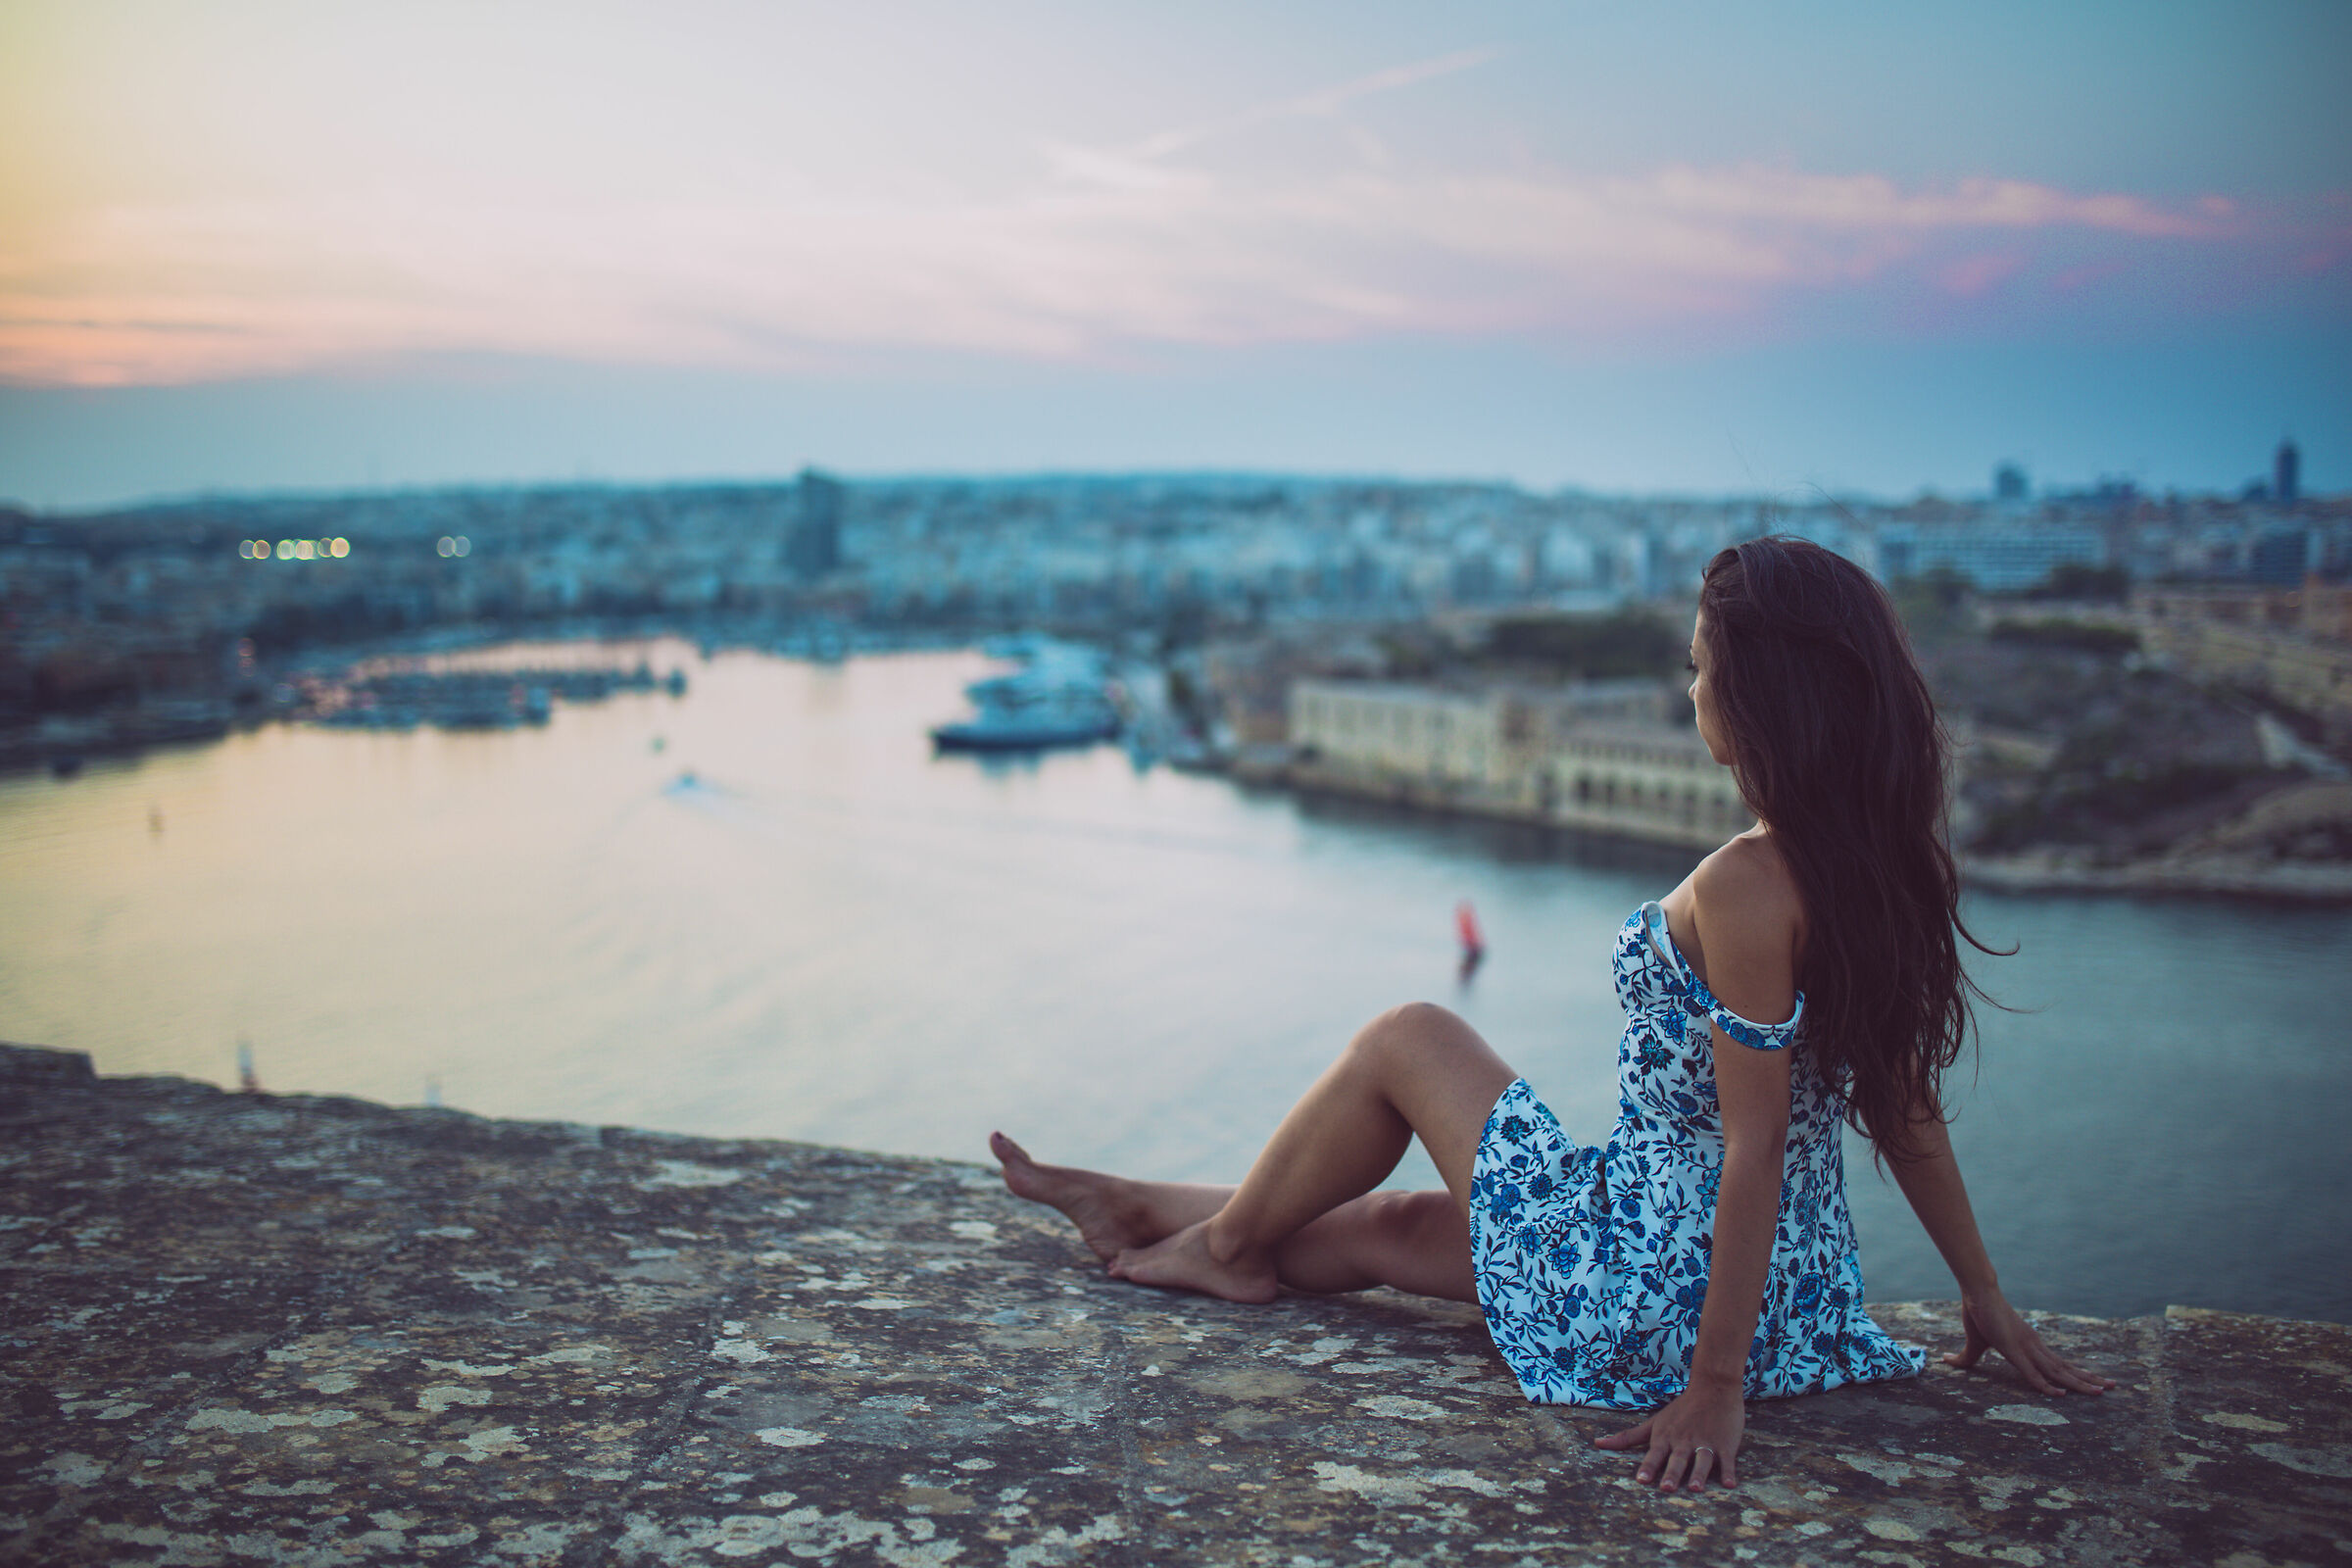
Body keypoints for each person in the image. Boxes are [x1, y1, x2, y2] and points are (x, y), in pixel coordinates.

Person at [991, 535, 2113, 1495]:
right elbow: (1904, 1102)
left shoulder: (1745, 885)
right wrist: (1984, 1291)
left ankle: (1228, 1245)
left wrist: (1712, 1389)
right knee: (1390, 1230)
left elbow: (1753, 1145)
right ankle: (1140, 1204)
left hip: (1655, 1288)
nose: (1689, 694)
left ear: (1762, 698)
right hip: (1793, 1301)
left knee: (1409, 1034)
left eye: (1697, 669)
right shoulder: (1885, 861)